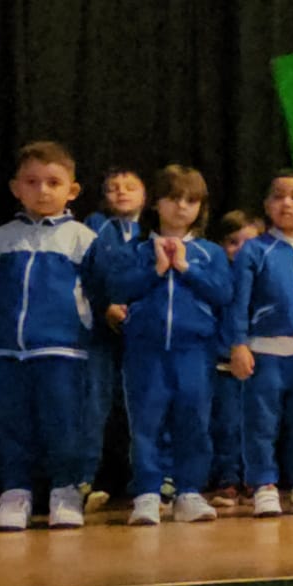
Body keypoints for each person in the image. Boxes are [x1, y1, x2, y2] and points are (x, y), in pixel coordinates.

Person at [0, 142, 101, 531]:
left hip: (62, 350)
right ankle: (15, 492)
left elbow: (99, 292)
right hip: (6, 352)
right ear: (16, 188)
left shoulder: (82, 239)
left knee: (63, 425)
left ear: (72, 190)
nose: (43, 191)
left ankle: (65, 491)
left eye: (53, 182)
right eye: (32, 182)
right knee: (10, 424)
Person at [107, 165, 231, 526]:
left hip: (194, 350)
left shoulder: (209, 252)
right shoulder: (137, 249)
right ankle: (147, 493)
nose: (182, 207)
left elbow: (223, 293)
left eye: (191, 201)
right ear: (155, 203)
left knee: (193, 420)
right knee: (146, 422)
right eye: (173, 198)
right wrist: (157, 270)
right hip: (145, 351)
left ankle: (188, 491)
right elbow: (118, 288)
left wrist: (187, 268)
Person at [228, 172, 293, 518]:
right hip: (265, 353)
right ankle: (264, 486)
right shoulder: (255, 251)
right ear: (266, 205)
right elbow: (238, 301)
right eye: (278, 196)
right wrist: (238, 344)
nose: (286, 203)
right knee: (261, 425)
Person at [79, 167, 146, 507]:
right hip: (100, 331)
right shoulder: (95, 226)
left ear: (146, 195)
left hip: (144, 331)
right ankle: (85, 479)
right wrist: (106, 305)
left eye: (130, 186)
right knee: (96, 404)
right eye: (112, 187)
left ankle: (148, 480)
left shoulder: (154, 230)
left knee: (142, 405)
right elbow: (87, 275)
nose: (121, 192)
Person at [208, 210, 263, 504]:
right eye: (232, 242)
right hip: (223, 364)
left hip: (260, 364)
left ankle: (255, 478)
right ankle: (228, 478)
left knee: (258, 425)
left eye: (248, 243)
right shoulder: (217, 279)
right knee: (227, 425)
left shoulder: (263, 278)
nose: (240, 249)